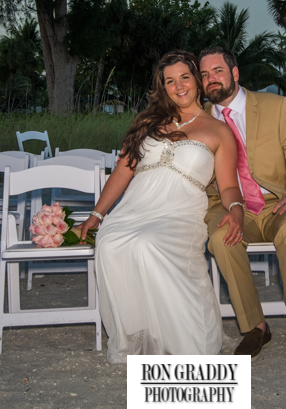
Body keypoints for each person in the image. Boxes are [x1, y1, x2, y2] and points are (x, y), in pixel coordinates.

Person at [76, 50, 245, 364]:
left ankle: (184, 337)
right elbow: (124, 169)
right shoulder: (147, 121)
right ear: (162, 87)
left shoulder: (218, 131)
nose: (178, 86)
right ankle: (138, 335)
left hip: (179, 213)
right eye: (170, 81)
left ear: (197, 80)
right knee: (110, 243)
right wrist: (97, 215)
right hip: (134, 208)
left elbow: (228, 185)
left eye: (185, 77)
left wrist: (236, 208)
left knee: (147, 244)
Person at [198, 45, 286, 361]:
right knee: (220, 238)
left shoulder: (276, 106)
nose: (210, 80)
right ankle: (256, 327)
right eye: (204, 75)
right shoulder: (198, 117)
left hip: (277, 201)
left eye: (217, 71)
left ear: (235, 73)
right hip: (228, 203)